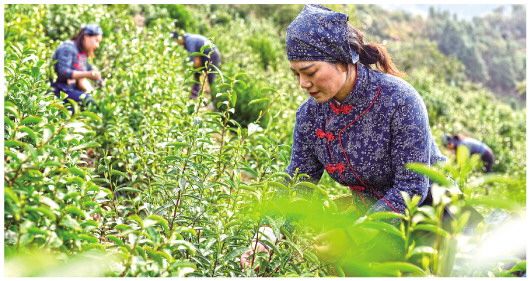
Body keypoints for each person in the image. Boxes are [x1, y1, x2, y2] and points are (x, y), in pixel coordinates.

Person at [241, 4, 447, 269]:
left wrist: (352, 236)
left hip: (429, 222)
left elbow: (412, 187)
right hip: (370, 222)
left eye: (311, 72)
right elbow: (299, 182)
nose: (303, 83)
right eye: (296, 74)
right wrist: (267, 237)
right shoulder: (310, 116)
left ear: (342, 60)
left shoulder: (399, 100)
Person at [51, 24, 103, 112]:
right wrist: (88, 75)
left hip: (71, 90)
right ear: (86, 37)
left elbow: (90, 70)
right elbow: (63, 71)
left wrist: (99, 81)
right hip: (60, 90)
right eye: (96, 41)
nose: (97, 45)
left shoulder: (82, 53)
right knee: (89, 101)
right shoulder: (68, 48)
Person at [171, 31, 221, 99]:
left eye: (176, 41)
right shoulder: (188, 39)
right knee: (197, 75)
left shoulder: (190, 41)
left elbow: (196, 61)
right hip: (205, 56)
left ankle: (215, 99)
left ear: (179, 38)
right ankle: (194, 95)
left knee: (210, 79)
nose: (177, 44)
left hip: (212, 55)